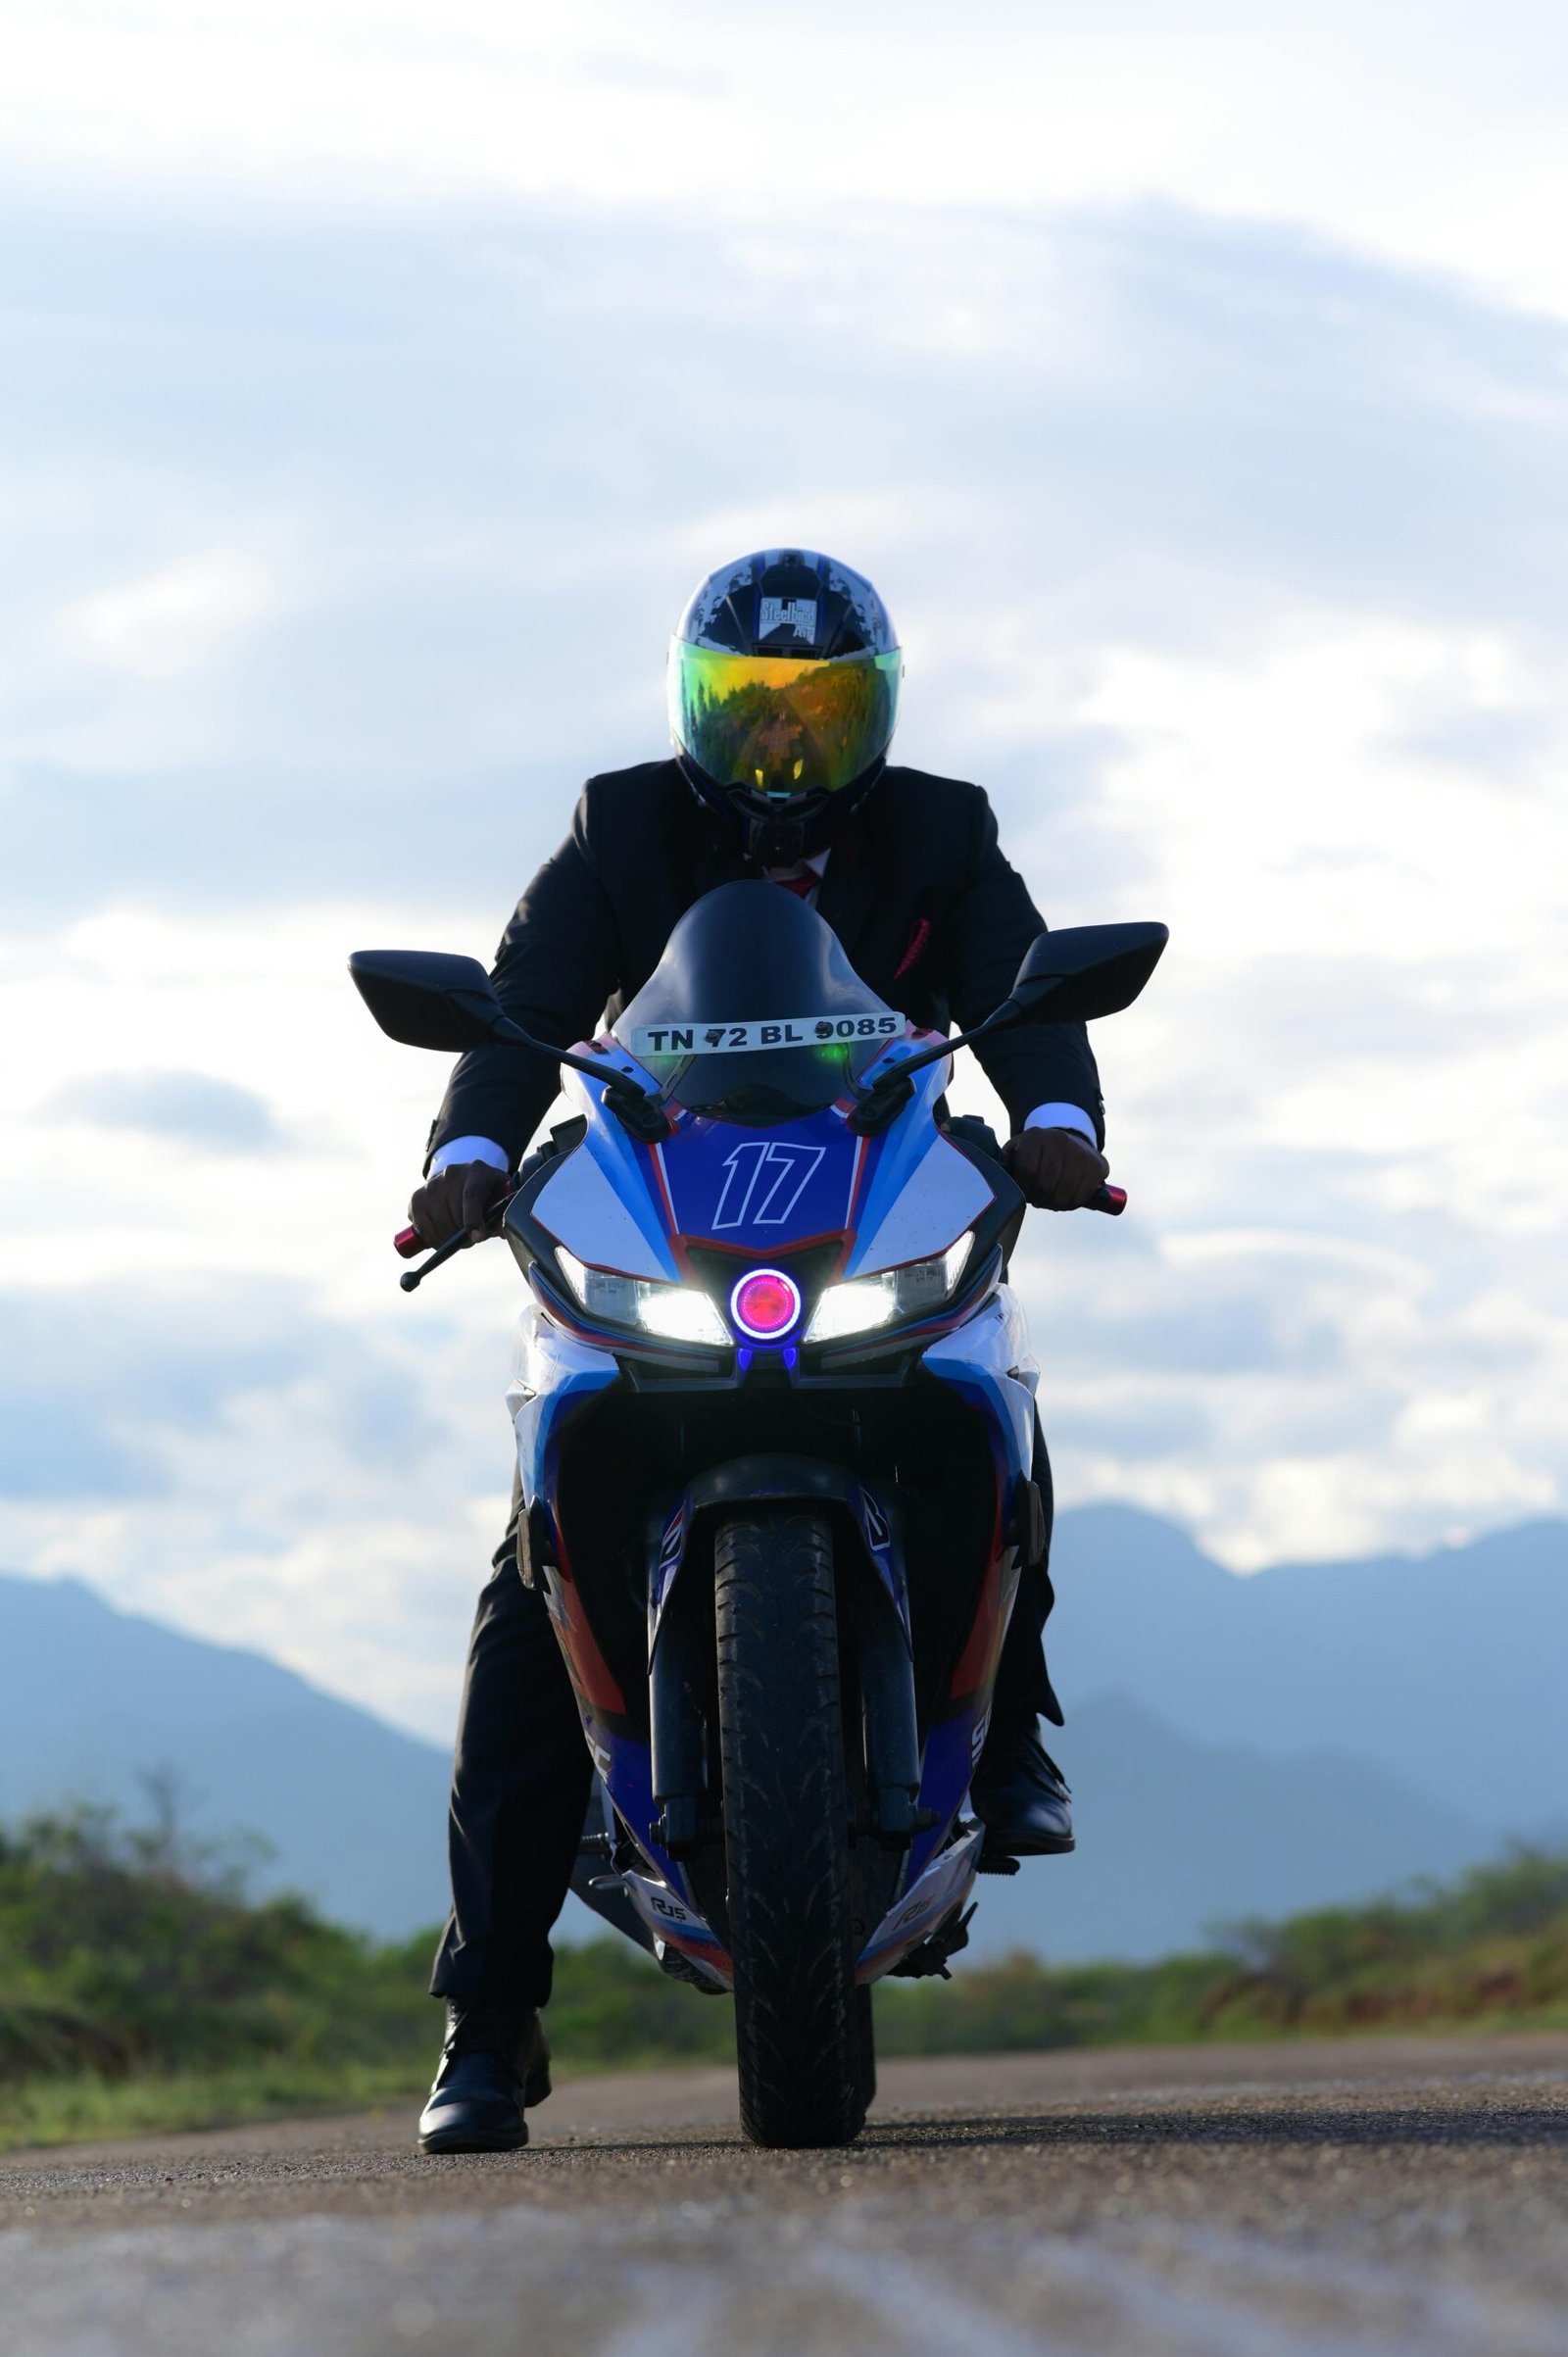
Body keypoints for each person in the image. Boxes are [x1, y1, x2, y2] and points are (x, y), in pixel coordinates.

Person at [411, 550, 1110, 2153]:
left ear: (875, 712)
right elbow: (520, 1002)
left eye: (819, 713)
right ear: (692, 710)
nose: (784, 751)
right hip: (663, 1215)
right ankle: (487, 2010)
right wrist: (461, 1150)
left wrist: (1061, 1115)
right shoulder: (619, 829)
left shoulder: (941, 829)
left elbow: (1021, 980)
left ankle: (1007, 1735)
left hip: (861, 1196)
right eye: (752, 712)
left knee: (986, 1387)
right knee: (531, 1579)